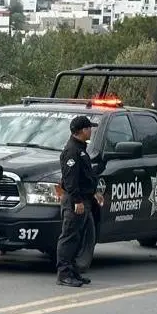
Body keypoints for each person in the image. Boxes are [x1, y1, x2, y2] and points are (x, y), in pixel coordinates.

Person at [56, 115, 103, 288]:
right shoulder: (72, 151)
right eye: (89, 128)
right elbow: (70, 181)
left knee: (78, 238)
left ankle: (73, 270)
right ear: (83, 130)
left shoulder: (81, 150)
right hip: (75, 200)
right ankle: (64, 273)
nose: (91, 130)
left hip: (85, 198)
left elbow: (86, 176)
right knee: (69, 236)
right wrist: (77, 200)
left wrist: (94, 192)